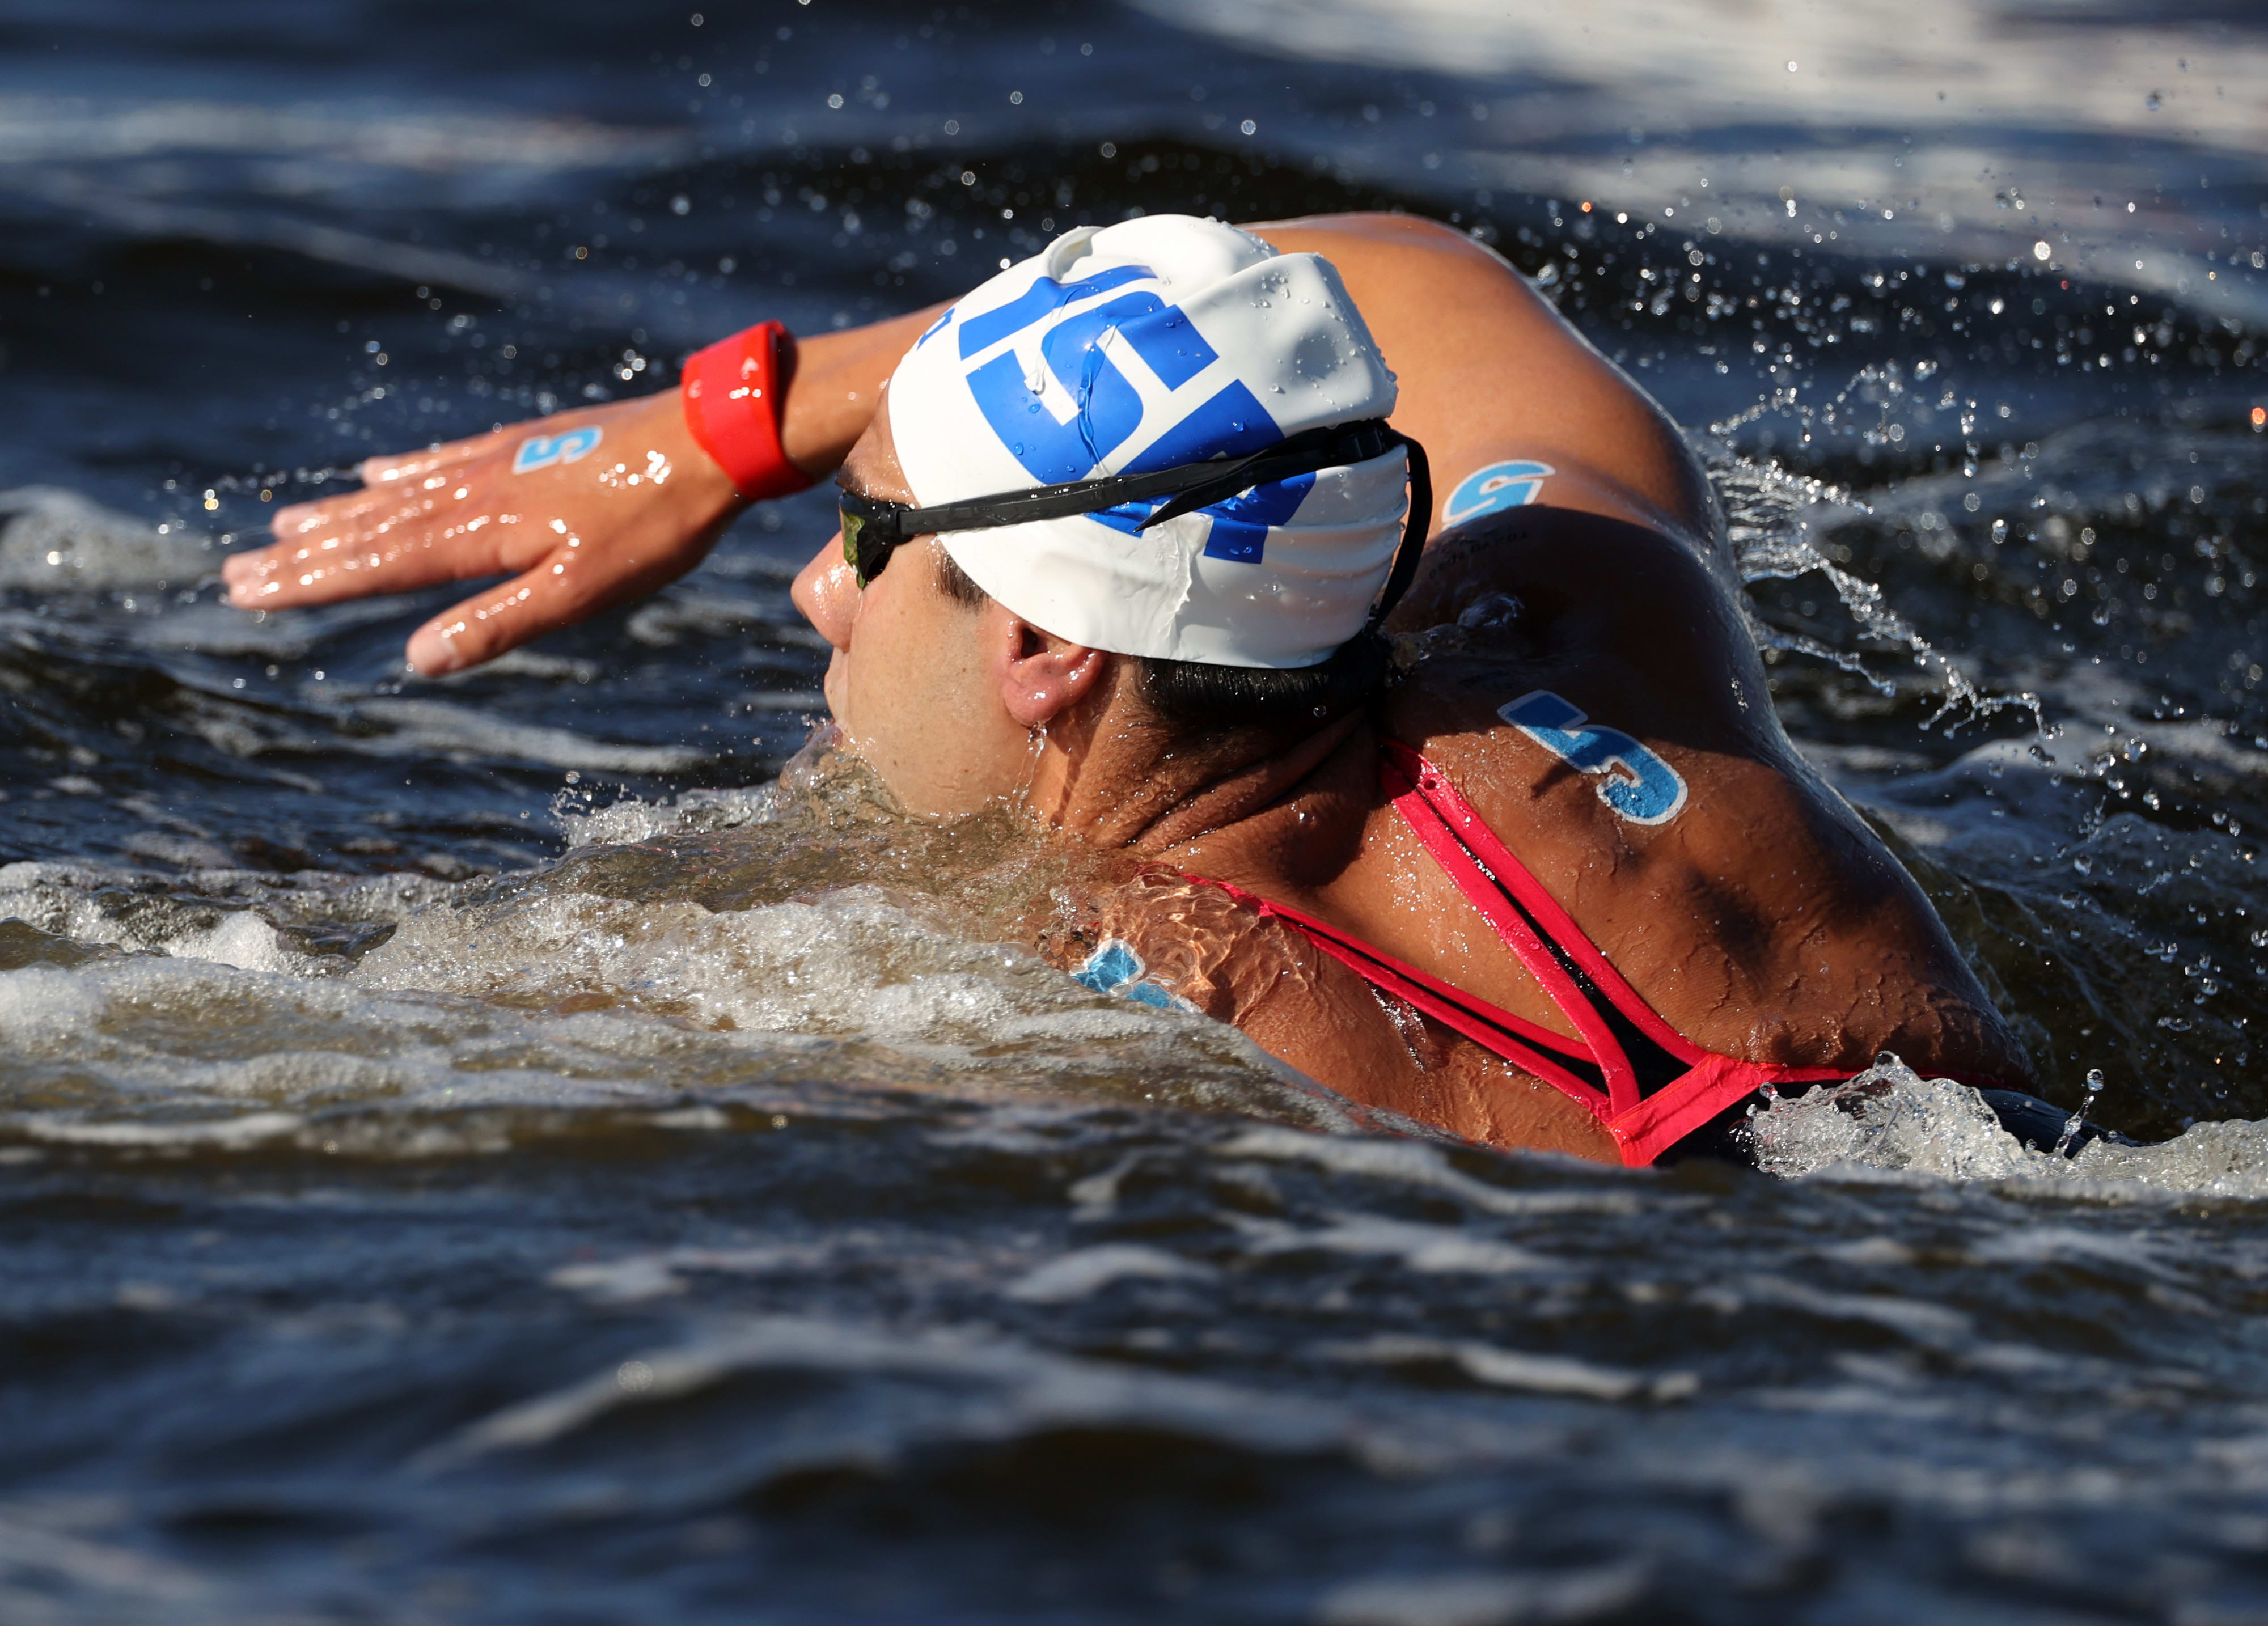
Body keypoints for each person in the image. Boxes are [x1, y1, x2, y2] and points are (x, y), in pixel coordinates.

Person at [226, 211, 2049, 1167]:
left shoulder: (1040, 1003)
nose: (808, 589)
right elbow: (1422, 286)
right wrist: (762, 422)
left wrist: (735, 426)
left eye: (867, 542)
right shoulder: (1597, 612)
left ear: (1046, 650)